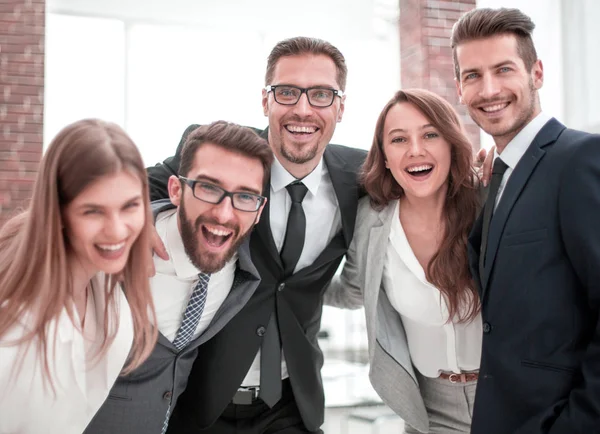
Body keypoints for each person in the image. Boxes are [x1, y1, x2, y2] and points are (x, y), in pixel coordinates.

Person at [147, 37, 366, 433]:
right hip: (199, 401)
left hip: (290, 403)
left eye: (320, 94)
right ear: (266, 101)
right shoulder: (221, 154)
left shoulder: (360, 175)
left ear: (340, 107)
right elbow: (133, 187)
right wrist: (134, 218)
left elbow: (423, 178)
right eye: (286, 92)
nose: (302, 108)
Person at [451, 7, 600, 434]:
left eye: (503, 69)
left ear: (536, 73)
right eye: (473, 75)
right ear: (460, 88)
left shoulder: (580, 159)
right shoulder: (494, 180)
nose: (489, 89)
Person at [84, 121, 272, 433]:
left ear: (259, 209)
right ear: (175, 189)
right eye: (209, 188)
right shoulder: (111, 250)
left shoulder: (242, 267)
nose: (224, 214)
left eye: (245, 197)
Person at [325, 89, 482, 433]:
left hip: (511, 400)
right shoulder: (371, 221)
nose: (415, 150)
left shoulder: (488, 204)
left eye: (429, 134)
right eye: (398, 139)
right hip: (429, 412)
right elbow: (352, 291)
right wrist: (291, 281)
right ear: (383, 157)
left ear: (451, 143)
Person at [0, 119, 157, 434]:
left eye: (129, 207)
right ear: (58, 212)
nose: (116, 230)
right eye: (93, 211)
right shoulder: (14, 333)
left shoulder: (109, 296)